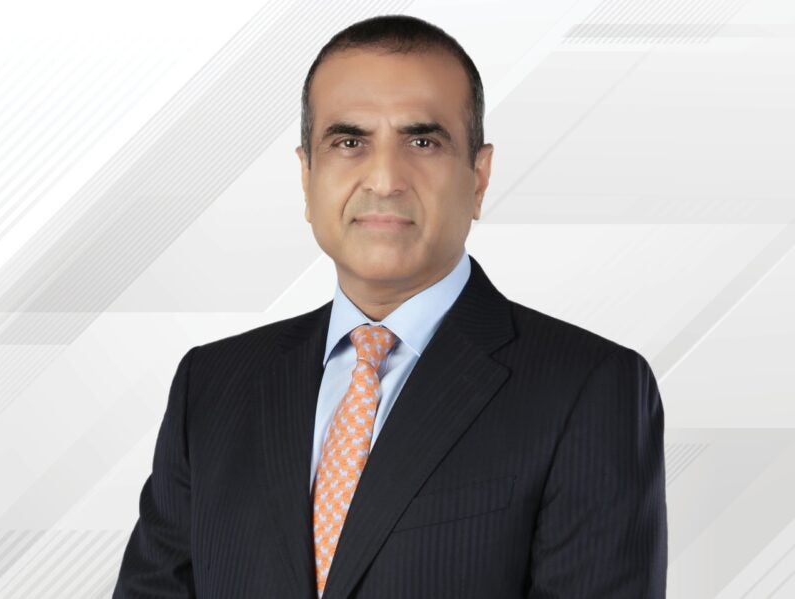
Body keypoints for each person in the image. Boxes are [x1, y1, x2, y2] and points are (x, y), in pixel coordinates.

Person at [113, 14, 667, 599]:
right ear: (306, 177)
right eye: (349, 142)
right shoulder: (212, 385)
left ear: (479, 178)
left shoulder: (589, 387)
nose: (384, 179)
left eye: (422, 142)